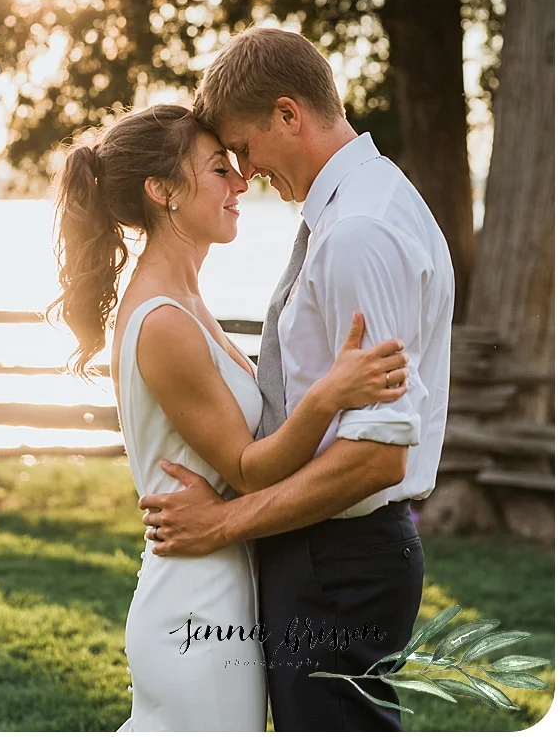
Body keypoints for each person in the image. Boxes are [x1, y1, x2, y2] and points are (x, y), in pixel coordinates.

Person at [55, 102, 410, 730]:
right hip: (195, 602)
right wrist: (329, 396)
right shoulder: (164, 321)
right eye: (219, 169)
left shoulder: (186, 302)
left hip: (224, 585)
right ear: (162, 191)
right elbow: (247, 470)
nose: (242, 183)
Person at [140, 28, 455, 731]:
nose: (245, 177)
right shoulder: (360, 207)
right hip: (328, 552)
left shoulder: (358, 231)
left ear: (289, 114)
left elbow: (377, 453)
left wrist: (223, 522)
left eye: (245, 150)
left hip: (337, 560)